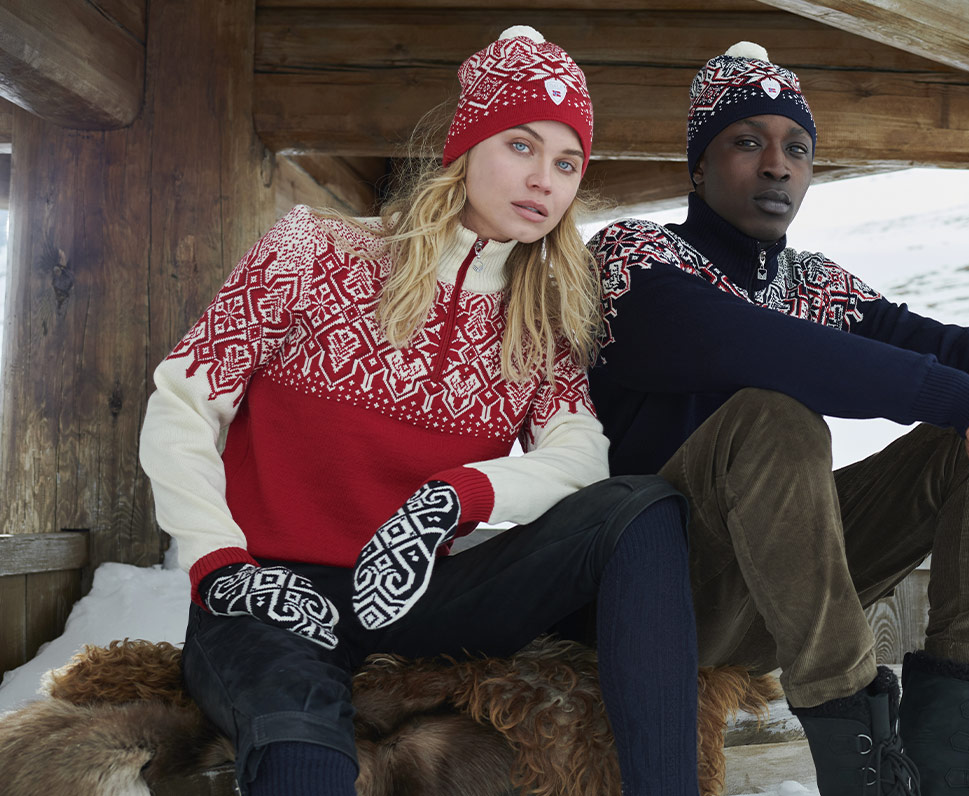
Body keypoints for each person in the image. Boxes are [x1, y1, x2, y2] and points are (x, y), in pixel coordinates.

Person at [139, 26, 697, 796]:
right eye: (522, 146)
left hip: (411, 596)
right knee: (305, 754)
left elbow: (580, 457)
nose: (545, 180)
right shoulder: (314, 251)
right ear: (466, 147)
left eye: (567, 163)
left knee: (640, 505)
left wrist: (450, 500)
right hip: (264, 598)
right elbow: (183, 403)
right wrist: (221, 564)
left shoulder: (541, 315)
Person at [586, 42, 969, 796]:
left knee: (965, 452)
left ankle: (951, 764)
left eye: (797, 149)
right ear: (698, 167)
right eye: (747, 142)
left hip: (778, 596)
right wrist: (967, 402)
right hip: (661, 594)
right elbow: (760, 346)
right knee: (773, 416)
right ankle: (859, 774)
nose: (778, 166)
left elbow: (953, 349)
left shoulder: (812, 284)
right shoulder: (632, 260)